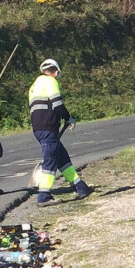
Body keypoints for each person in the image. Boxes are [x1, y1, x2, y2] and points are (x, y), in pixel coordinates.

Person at [28, 58, 91, 205]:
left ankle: (80, 187)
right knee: (50, 161)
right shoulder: (50, 82)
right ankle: (43, 196)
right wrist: (68, 117)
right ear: (56, 72)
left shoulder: (34, 85)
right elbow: (57, 104)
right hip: (48, 127)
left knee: (62, 158)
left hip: (38, 128)